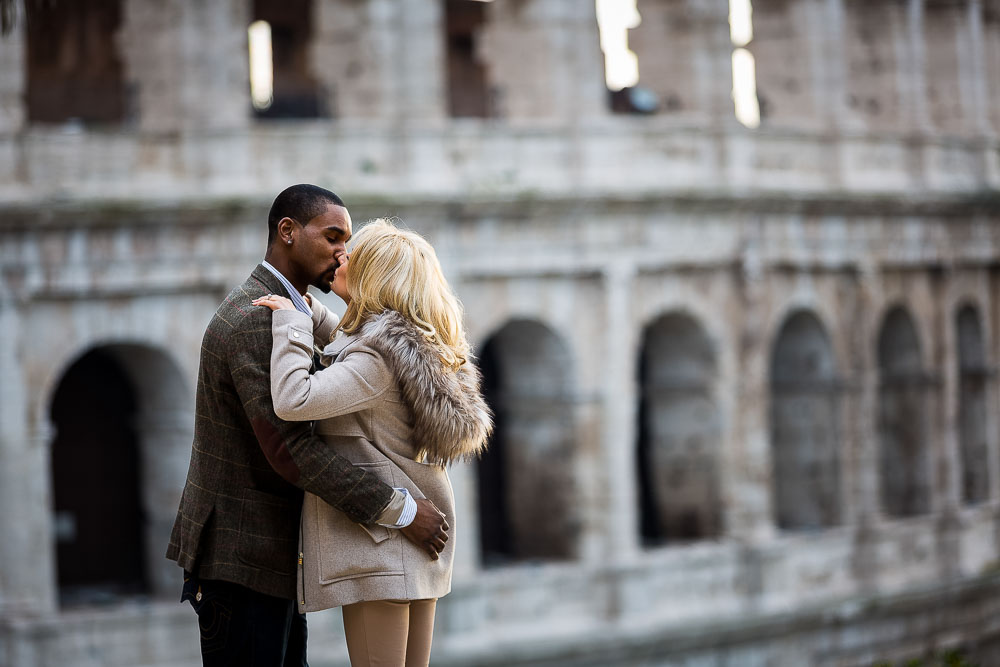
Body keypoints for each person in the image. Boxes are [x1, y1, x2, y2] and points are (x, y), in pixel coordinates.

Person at [165, 185, 450, 666]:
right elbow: (289, 449)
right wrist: (400, 510)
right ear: (288, 233)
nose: (344, 253)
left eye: (349, 241)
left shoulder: (286, 310)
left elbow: (344, 338)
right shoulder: (257, 318)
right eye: (333, 237)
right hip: (243, 557)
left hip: (271, 558)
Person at [253, 219, 491, 667]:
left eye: (352, 254)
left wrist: (289, 324)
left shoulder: (373, 360)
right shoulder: (411, 347)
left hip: (381, 549)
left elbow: (293, 399)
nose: (340, 257)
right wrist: (313, 315)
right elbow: (348, 342)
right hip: (416, 551)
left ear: (373, 275)